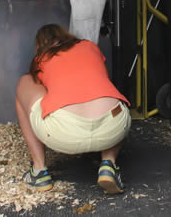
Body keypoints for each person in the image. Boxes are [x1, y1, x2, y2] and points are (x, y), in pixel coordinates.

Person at [15, 24, 131, 194]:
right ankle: (109, 164)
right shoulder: (90, 46)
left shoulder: (41, 58)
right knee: (109, 93)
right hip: (113, 126)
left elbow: (42, 86)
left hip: (63, 132)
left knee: (25, 82)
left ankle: (39, 172)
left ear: (40, 45)